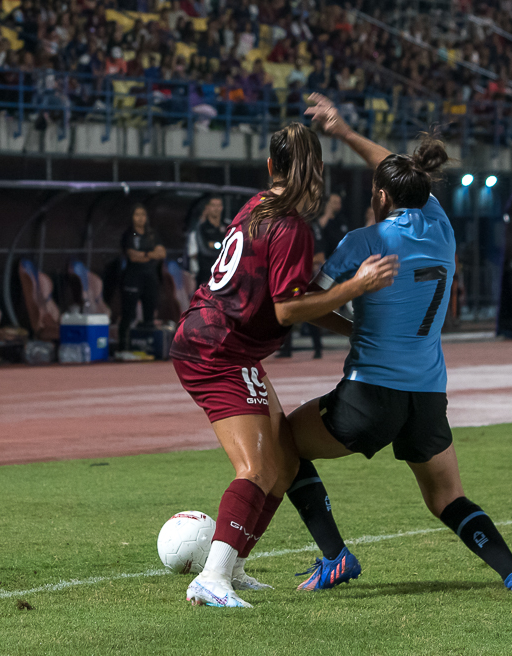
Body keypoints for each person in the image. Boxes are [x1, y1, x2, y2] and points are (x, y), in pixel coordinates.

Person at [279, 94, 512, 595]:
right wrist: (346, 132)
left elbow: (310, 304)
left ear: (381, 196)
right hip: (426, 395)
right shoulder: (441, 228)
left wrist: (349, 325)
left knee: (282, 445)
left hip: (369, 394)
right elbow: (402, 174)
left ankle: (335, 556)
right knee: (448, 498)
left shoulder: (364, 241)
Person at [169, 122, 399, 608]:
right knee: (255, 468)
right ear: (317, 170)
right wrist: (355, 288)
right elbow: (287, 308)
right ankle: (212, 577)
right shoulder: (291, 225)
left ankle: (232, 564)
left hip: (218, 340)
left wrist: (354, 328)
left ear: (270, 166)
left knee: (287, 461)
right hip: (219, 349)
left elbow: (298, 294)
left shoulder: (256, 207)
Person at [119, 204, 165, 351]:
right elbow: (133, 256)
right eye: (137, 215)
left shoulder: (152, 234)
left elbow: (161, 253)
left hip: (150, 277)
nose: (140, 218)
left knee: (149, 312)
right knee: (128, 313)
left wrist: (145, 255)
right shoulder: (130, 234)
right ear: (132, 217)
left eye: (143, 215)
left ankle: (148, 347)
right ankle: (123, 347)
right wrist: (150, 254)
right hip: (133, 277)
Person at [186, 197, 226, 283]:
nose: (216, 208)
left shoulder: (227, 226)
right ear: (207, 207)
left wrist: (215, 245)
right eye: (213, 205)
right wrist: (224, 247)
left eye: (219, 205)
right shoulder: (200, 228)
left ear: (222, 207)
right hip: (206, 275)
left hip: (225, 274)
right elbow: (204, 250)